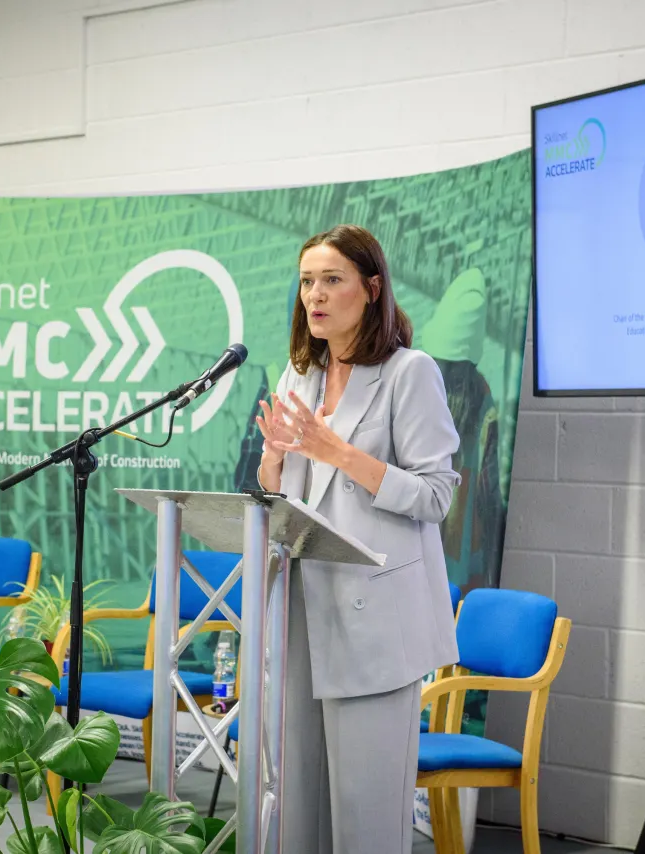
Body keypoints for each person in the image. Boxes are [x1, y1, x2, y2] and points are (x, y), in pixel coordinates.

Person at [256, 224, 462, 853]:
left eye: (332, 280)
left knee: (365, 819)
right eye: (306, 282)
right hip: (301, 616)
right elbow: (285, 494)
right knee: (298, 814)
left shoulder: (410, 373)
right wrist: (271, 461)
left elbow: (436, 495)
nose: (313, 296)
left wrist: (341, 454)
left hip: (374, 625)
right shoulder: (300, 378)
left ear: (372, 289)